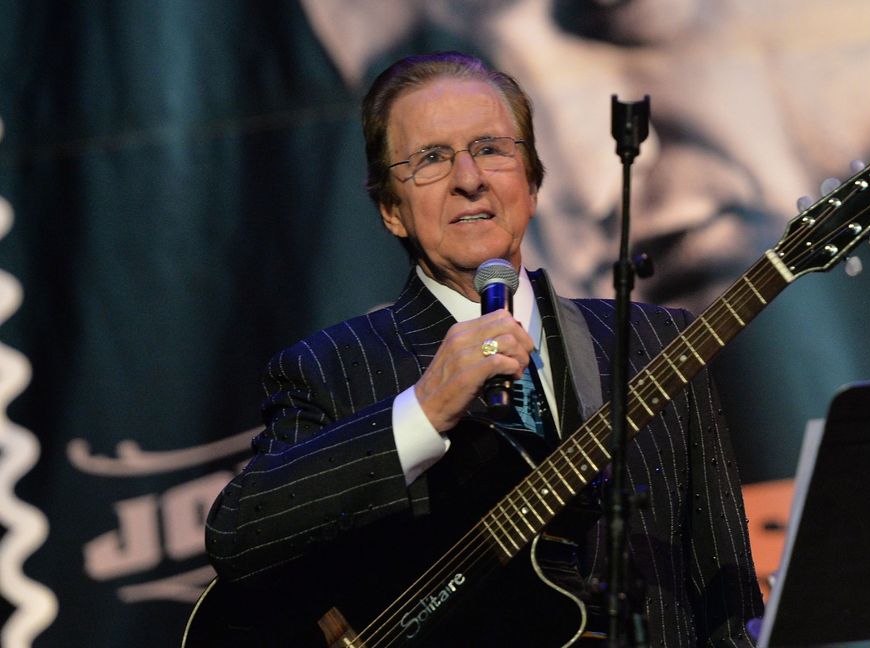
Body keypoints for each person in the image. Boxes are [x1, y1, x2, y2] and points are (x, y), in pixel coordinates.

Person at [205, 51, 762, 647]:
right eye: (431, 158)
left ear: (531, 183)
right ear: (392, 211)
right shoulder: (330, 369)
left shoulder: (654, 343)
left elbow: (727, 602)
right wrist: (419, 412)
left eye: (492, 148)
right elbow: (240, 535)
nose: (469, 177)